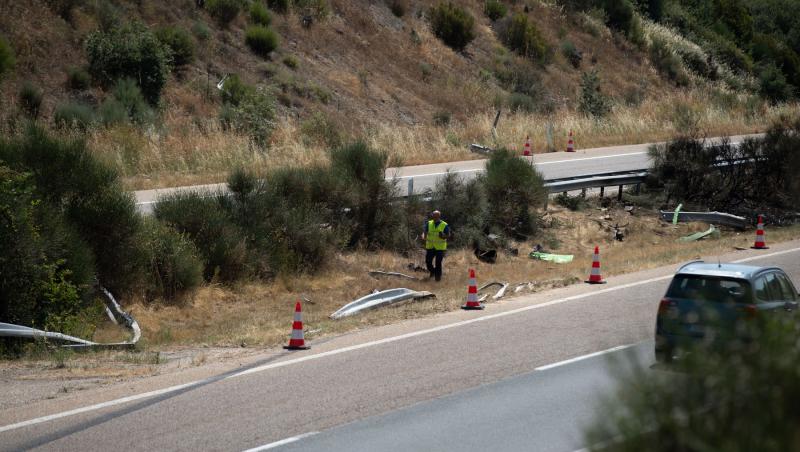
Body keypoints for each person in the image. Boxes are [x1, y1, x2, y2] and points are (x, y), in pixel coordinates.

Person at [422, 210, 451, 281]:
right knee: (428, 262)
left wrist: (443, 236)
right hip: (430, 246)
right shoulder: (429, 223)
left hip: (440, 248)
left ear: (439, 216)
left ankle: (438, 278)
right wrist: (423, 237)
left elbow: (448, 235)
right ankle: (433, 272)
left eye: (436, 216)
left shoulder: (444, 225)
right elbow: (424, 232)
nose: (434, 217)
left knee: (438, 263)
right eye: (433, 216)